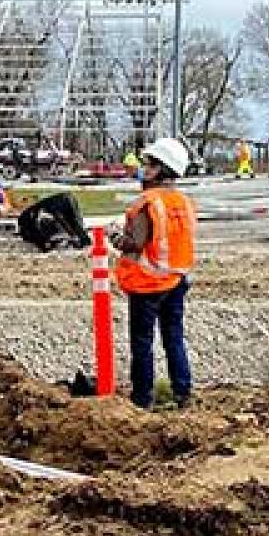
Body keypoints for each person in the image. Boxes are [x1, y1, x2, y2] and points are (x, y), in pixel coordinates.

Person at [109, 137, 197, 410]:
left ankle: (142, 397)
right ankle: (183, 392)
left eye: (148, 164)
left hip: (147, 284)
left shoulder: (148, 202)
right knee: (174, 338)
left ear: (161, 168)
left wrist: (115, 237)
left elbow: (136, 243)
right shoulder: (182, 201)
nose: (143, 168)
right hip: (176, 279)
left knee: (143, 344)